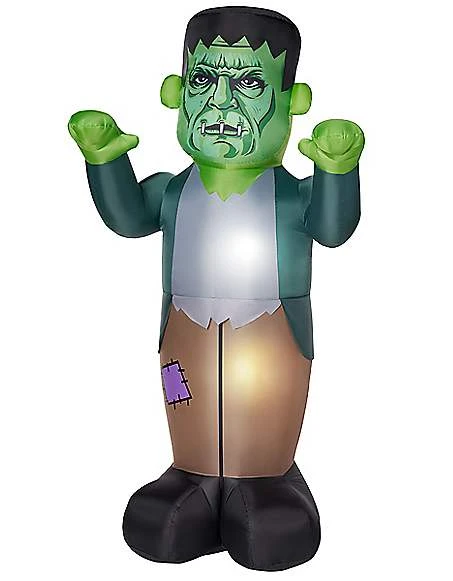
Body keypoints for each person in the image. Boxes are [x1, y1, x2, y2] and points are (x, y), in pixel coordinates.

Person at [68, 6, 364, 571]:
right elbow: (128, 218)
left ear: (293, 102)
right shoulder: (174, 192)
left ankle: (266, 477)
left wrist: (338, 171)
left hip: (273, 333)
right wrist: (106, 159)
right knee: (185, 392)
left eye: (249, 84)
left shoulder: (288, 197)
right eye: (204, 80)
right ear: (175, 93)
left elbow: (332, 228)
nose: (221, 102)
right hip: (184, 332)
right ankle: (194, 472)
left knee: (266, 399)